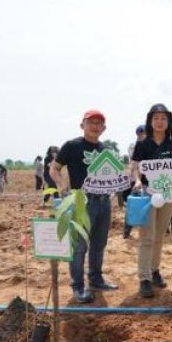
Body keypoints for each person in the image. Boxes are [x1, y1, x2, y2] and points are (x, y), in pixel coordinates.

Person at [50, 110, 120, 303]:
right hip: (82, 201)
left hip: (104, 201)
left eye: (99, 123)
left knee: (99, 244)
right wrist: (61, 184)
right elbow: (54, 168)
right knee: (79, 246)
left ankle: (96, 280)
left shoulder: (105, 149)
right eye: (91, 122)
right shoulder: (72, 146)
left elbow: (113, 173)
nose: (95, 126)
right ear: (83, 125)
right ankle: (78, 286)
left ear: (103, 128)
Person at [130, 103, 172, 298]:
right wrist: (136, 180)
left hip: (168, 194)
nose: (159, 122)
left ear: (168, 122)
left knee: (160, 235)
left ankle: (154, 270)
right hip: (147, 193)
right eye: (156, 118)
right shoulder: (143, 144)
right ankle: (144, 277)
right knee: (147, 236)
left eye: (163, 118)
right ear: (150, 121)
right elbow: (135, 167)